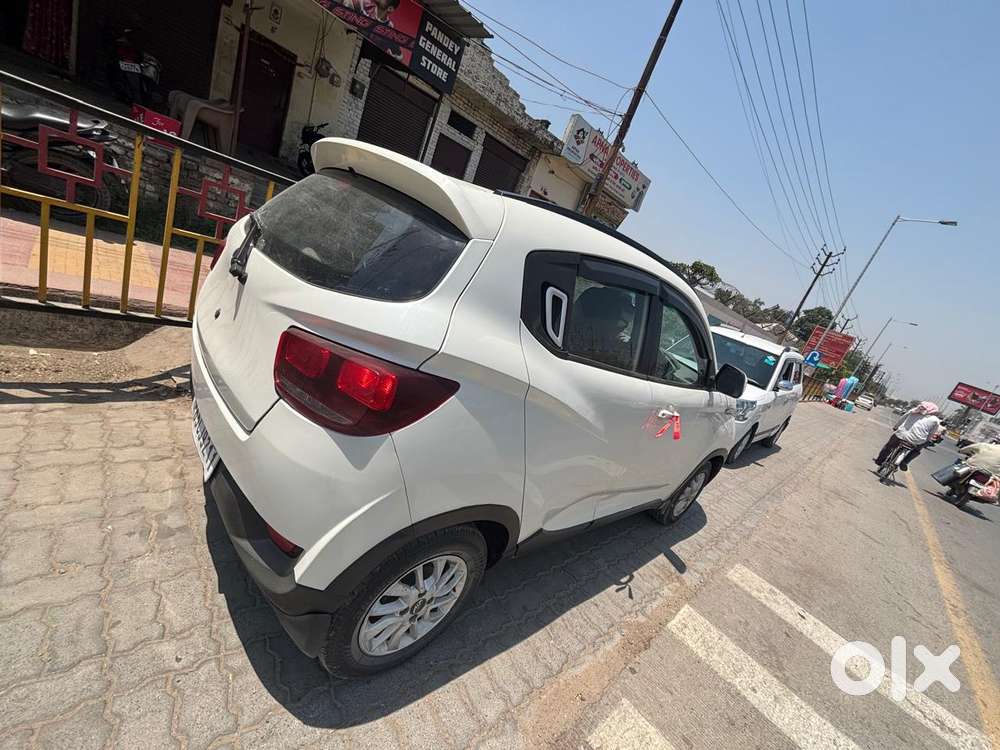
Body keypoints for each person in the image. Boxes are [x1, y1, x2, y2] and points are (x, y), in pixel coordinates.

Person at [874, 402, 942, 471]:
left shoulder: (914, 410)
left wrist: (896, 427)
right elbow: (931, 434)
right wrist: (926, 440)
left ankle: (879, 461)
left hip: (901, 435)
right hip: (917, 440)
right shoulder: (935, 420)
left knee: (889, 446)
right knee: (917, 450)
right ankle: (904, 462)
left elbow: (902, 419)